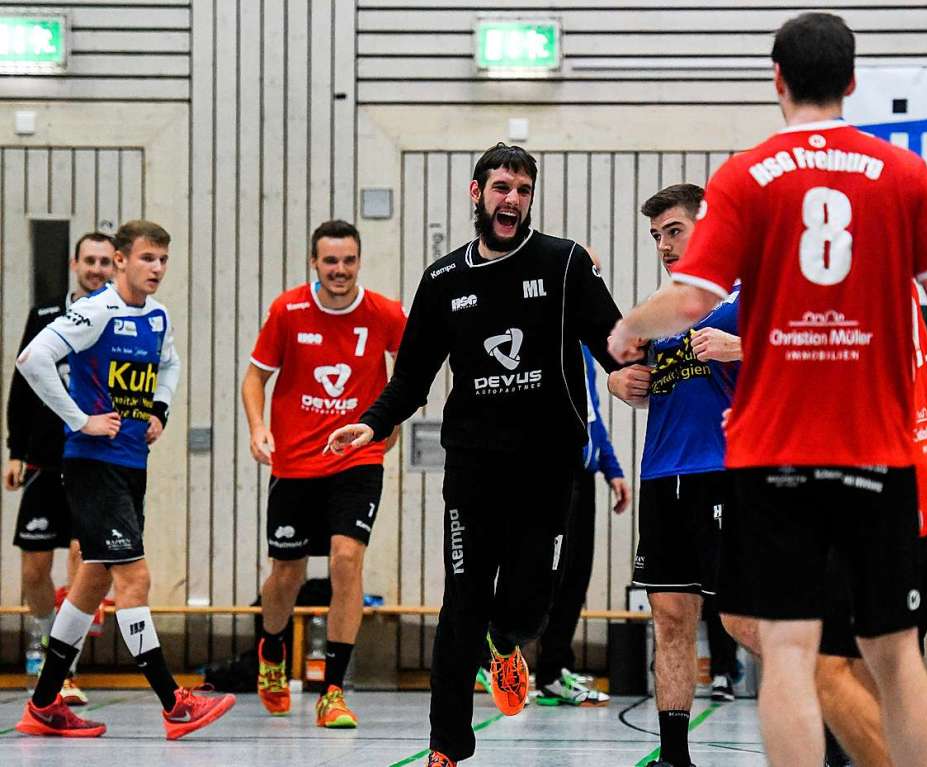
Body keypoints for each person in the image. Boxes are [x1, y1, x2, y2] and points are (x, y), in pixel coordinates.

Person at [608, 13, 927, 767]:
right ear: (852, 82)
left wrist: (628, 329)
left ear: (778, 80)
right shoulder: (903, 173)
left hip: (773, 453)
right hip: (876, 448)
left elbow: (688, 300)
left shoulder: (746, 176)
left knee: (787, 648)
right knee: (894, 652)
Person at [325, 143, 622, 766]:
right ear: (476, 194)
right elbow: (411, 378)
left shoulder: (564, 264)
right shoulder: (442, 280)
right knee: (461, 600)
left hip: (548, 464)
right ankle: (446, 748)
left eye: (521, 190)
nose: (510, 199)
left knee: (529, 602)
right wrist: (370, 424)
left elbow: (613, 344)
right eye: (501, 188)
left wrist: (639, 374)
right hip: (473, 465)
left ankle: (507, 642)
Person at [13, 219, 235, 740]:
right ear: (120, 261)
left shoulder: (156, 316)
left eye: (162, 260)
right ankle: (174, 702)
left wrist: (159, 408)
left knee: (91, 582)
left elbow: (170, 364)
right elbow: (33, 359)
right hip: (94, 464)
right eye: (146, 258)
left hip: (132, 462)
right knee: (134, 579)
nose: (156, 269)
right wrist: (78, 419)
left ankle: (44, 704)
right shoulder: (93, 312)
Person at [242, 219, 406, 728]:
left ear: (359, 261)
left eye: (349, 260)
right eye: (330, 261)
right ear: (315, 262)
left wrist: (388, 424)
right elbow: (255, 377)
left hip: (356, 458)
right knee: (287, 572)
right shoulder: (287, 310)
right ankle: (271, 651)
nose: (340, 270)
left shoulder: (385, 313)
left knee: (346, 558)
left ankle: (332, 689)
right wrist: (257, 427)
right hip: (293, 461)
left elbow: (410, 374)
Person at [608, 183, 741, 767]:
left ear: (705, 226)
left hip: (726, 470)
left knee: (746, 617)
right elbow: (651, 380)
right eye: (657, 236)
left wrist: (743, 347)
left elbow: (800, 360)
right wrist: (622, 385)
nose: (664, 244)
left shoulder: (746, 294)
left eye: (674, 230)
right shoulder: (664, 311)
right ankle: (674, 755)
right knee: (670, 616)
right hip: (663, 475)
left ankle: (832, 737)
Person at [815, 292, 927, 767]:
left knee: (829, 667)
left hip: (874, 499)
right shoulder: (902, 291)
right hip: (912, 496)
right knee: (873, 665)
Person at [4, 232, 115, 704]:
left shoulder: (119, 315)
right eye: (90, 261)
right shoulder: (47, 315)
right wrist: (15, 449)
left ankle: (63, 668)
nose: (96, 269)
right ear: (75, 264)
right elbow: (23, 379)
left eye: (105, 262)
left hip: (91, 460)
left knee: (79, 557)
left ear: (116, 266)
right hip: (46, 460)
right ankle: (43, 643)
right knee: (33, 568)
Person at [533, 335, 629, 707]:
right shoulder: (547, 328)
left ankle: (553, 671)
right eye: (591, 271)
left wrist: (611, 467)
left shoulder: (586, 342)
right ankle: (497, 659)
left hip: (582, 473)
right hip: (549, 470)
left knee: (575, 574)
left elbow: (591, 411)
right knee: (544, 574)